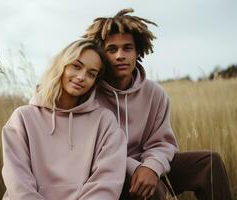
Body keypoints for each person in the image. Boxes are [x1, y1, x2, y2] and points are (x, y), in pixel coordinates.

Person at [83, 8, 232, 200]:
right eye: (112, 49)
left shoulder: (155, 93)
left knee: (210, 162)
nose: (120, 55)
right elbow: (92, 152)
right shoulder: (89, 95)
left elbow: (162, 143)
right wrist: (138, 169)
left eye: (127, 48)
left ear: (138, 52)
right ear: (102, 55)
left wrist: (151, 167)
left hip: (147, 164)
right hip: (107, 173)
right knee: (152, 190)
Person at [1, 39, 127, 200]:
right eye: (76, 66)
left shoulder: (104, 121)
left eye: (91, 74)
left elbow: (106, 181)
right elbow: (17, 180)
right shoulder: (23, 118)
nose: (82, 77)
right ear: (62, 65)